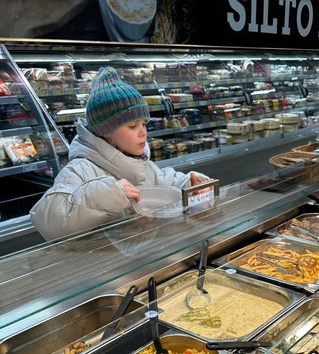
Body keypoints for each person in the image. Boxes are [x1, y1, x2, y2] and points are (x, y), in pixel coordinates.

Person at [30, 67, 210, 241]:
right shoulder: (80, 170)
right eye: (132, 126)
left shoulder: (142, 164)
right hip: (101, 260)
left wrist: (191, 187)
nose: (143, 132)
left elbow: (166, 183)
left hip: (143, 255)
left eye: (143, 124)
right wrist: (107, 195)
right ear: (106, 131)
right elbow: (50, 223)